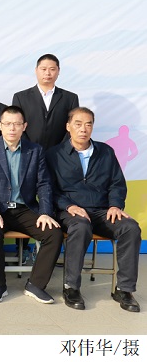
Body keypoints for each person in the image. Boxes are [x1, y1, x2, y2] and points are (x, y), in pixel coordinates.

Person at [46, 107, 141, 312]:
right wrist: (68, 206)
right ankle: (71, 287)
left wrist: (115, 205)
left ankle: (124, 290)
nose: (83, 129)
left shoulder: (105, 152)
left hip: (102, 211)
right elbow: (48, 189)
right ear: (68, 126)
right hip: (70, 211)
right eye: (78, 124)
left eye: (88, 124)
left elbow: (117, 183)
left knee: (130, 227)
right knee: (80, 226)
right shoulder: (54, 154)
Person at [0, 105, 63, 304]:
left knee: (54, 233)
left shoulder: (35, 151)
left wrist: (45, 212)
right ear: (0, 126)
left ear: (24, 126)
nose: (12, 128)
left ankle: (35, 285)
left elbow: (44, 184)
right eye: (7, 124)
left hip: (24, 209)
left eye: (16, 124)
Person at [12, 54, 79, 151]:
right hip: (28, 151)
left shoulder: (70, 98)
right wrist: (29, 147)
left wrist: (61, 148)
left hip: (60, 152)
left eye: (52, 69)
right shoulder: (20, 97)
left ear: (58, 71)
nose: (47, 73)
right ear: (36, 70)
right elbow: (16, 124)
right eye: (43, 69)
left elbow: (74, 125)